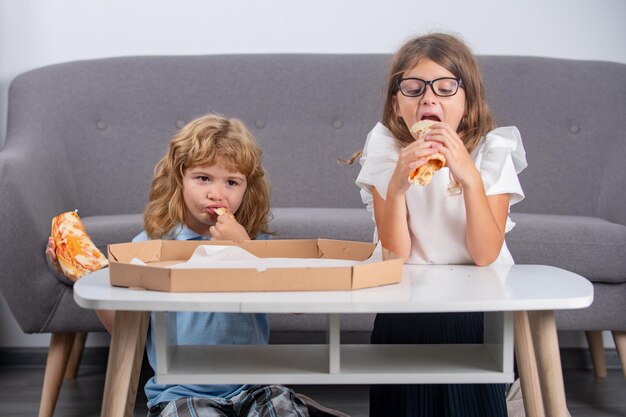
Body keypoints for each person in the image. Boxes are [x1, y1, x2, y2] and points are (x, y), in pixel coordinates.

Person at [46, 114, 315, 417]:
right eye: (203, 178)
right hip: (181, 392)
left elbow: (299, 304)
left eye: (231, 182)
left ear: (247, 188)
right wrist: (85, 273)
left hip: (256, 387)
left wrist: (244, 247)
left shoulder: (255, 242)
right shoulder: (149, 246)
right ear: (179, 179)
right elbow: (125, 329)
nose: (217, 193)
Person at [354, 33, 527, 417]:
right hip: (406, 302)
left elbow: (484, 255)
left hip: (477, 303)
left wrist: (468, 175)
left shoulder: (491, 151)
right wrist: (396, 186)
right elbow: (395, 255)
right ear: (397, 105)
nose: (428, 99)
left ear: (468, 103)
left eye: (445, 88)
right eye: (413, 88)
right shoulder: (385, 150)